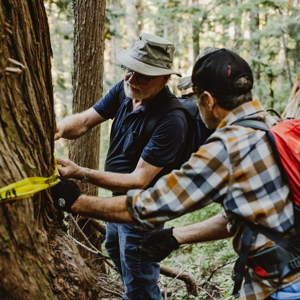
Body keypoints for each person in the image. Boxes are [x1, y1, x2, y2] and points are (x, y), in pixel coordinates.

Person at [52, 47, 300, 300]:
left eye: (194, 97)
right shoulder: (272, 127)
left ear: (209, 100)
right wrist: (177, 235)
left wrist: (76, 201)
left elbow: (150, 205)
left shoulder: (227, 147)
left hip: (279, 285)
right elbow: (243, 214)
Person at [54, 33, 189, 300]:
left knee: (138, 281)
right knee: (116, 249)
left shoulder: (172, 119)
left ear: (165, 79)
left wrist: (80, 172)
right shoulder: (126, 90)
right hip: (118, 201)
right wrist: (57, 128)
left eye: (143, 75)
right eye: (129, 70)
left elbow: (140, 179)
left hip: (143, 209)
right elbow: (83, 122)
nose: (131, 79)